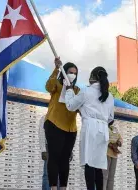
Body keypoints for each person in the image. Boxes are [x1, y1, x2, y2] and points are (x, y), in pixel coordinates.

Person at [65, 66, 114, 190]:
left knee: (89, 164)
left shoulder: (86, 91)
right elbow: (110, 118)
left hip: (90, 128)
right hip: (103, 130)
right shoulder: (110, 96)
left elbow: (70, 105)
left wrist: (69, 90)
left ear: (93, 77)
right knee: (98, 165)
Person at [44, 58, 80, 190]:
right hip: (54, 124)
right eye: (70, 72)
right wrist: (56, 69)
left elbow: (80, 107)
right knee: (54, 156)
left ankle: (64, 187)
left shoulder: (77, 90)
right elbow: (48, 86)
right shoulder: (57, 85)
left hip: (70, 129)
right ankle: (53, 187)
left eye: (75, 73)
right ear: (65, 72)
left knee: (65, 159)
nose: (73, 75)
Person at [103, 120, 123, 190]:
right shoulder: (104, 128)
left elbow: (120, 138)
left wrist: (119, 142)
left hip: (114, 155)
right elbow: (104, 139)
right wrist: (111, 145)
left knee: (111, 176)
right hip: (106, 154)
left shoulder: (115, 129)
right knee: (104, 176)